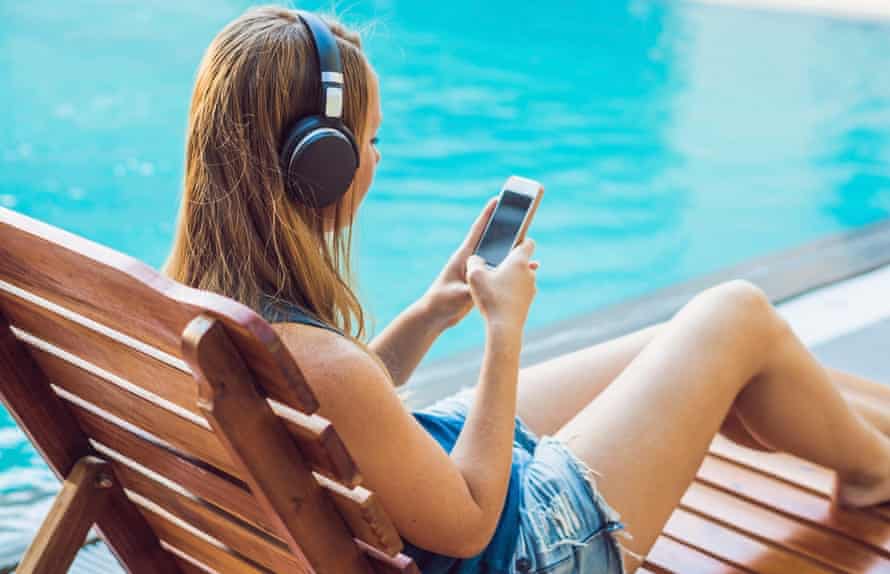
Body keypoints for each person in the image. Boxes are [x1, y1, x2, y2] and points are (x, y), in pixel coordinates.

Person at [164, 6, 890, 573]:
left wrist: (430, 313)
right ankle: (873, 471)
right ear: (317, 164)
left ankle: (872, 444)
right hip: (524, 550)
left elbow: (332, 413)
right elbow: (476, 518)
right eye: (369, 141)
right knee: (734, 314)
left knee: (685, 348)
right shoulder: (321, 360)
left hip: (418, 502)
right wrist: (502, 328)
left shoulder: (194, 305)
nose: (375, 160)